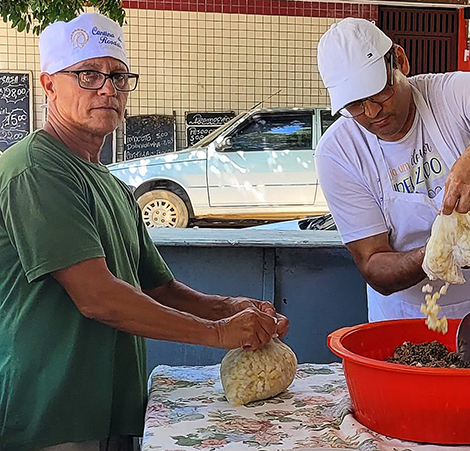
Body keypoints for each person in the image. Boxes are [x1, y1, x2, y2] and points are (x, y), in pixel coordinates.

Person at [0, 13, 289, 451]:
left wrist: (228, 308)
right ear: (48, 85)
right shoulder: (37, 170)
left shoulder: (111, 183)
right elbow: (97, 297)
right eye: (88, 75)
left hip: (111, 404)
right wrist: (217, 334)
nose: (108, 89)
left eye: (118, 76)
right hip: (49, 411)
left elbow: (158, 288)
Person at [314, 18, 470, 325]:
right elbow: (373, 265)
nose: (373, 111)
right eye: (356, 105)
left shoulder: (451, 94)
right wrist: (436, 254)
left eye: (379, 92)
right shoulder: (338, 152)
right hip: (405, 317)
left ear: (400, 61)